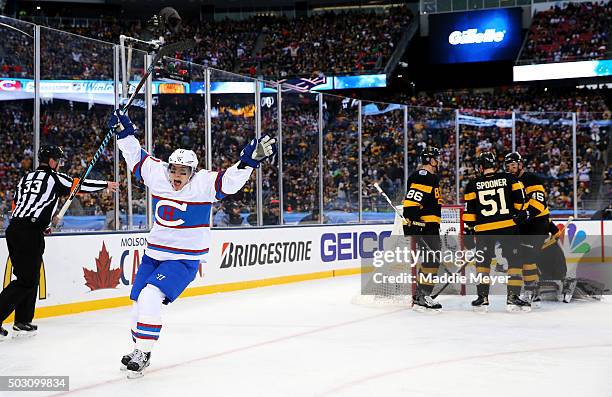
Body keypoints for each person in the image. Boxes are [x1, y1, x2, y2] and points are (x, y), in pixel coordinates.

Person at [109, 109, 276, 378]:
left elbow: (230, 181)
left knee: (151, 295)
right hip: (153, 255)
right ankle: (139, 347)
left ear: (192, 172)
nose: (177, 174)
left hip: (183, 259)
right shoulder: (157, 175)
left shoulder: (203, 184)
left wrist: (249, 162)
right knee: (139, 301)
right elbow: (135, 155)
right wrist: (122, 132)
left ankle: (144, 353)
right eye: (174, 169)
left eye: (183, 171)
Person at [0, 146, 117, 341]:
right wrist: (105, 184)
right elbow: (78, 185)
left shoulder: (25, 179)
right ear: (52, 161)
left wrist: (42, 222)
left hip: (18, 229)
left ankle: (22, 321)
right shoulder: (54, 177)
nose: (60, 164)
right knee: (25, 280)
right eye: (59, 160)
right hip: (29, 231)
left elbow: (17, 205)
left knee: (30, 276)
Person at [462, 152, 531, 312]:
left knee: (483, 263)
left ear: (480, 167)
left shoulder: (472, 184)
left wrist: (468, 230)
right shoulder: (509, 178)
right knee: (514, 261)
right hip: (508, 226)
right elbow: (521, 201)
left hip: (484, 229)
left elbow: (469, 213)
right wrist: (521, 214)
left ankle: (482, 298)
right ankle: (513, 297)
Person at [505, 152, 551, 306]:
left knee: (528, 258)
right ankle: (530, 289)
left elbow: (538, 202)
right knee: (521, 258)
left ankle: (531, 291)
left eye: (513, 165)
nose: (510, 168)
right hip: (524, 224)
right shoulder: (510, 181)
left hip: (537, 223)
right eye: (508, 166)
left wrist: (526, 213)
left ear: (520, 164)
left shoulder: (531, 178)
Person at [403, 147, 443, 312]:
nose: (438, 161)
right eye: (436, 158)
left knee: (431, 259)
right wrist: (413, 221)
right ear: (431, 160)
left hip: (429, 226)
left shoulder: (430, 177)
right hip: (426, 226)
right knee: (431, 259)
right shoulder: (423, 176)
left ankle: (422, 294)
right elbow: (411, 203)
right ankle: (422, 295)